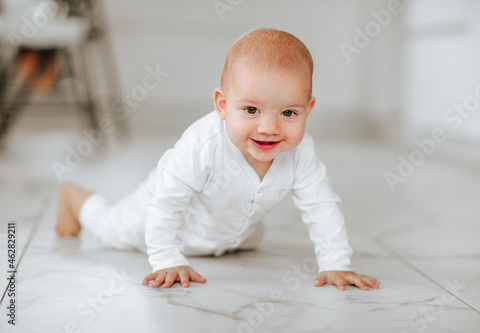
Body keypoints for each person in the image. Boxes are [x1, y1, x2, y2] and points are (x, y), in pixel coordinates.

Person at [56, 28, 380, 291]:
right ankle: (74, 198)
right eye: (251, 110)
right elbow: (166, 203)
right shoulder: (202, 146)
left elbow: (321, 205)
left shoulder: (301, 151)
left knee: (249, 239)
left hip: (226, 235)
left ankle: (228, 240)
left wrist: (336, 262)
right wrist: (167, 259)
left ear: (308, 109)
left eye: (288, 112)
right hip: (154, 216)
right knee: (111, 227)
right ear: (222, 105)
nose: (269, 127)